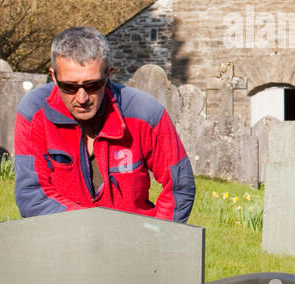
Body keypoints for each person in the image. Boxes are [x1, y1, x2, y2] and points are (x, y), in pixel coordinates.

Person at [14, 25, 195, 222]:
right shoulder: (34, 113)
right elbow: (31, 195)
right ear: (54, 76)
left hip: (134, 240)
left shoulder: (146, 114)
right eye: (69, 87)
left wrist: (160, 238)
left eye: (92, 85)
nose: (82, 98)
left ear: (108, 74)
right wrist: (93, 228)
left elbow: (179, 185)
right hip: (62, 235)